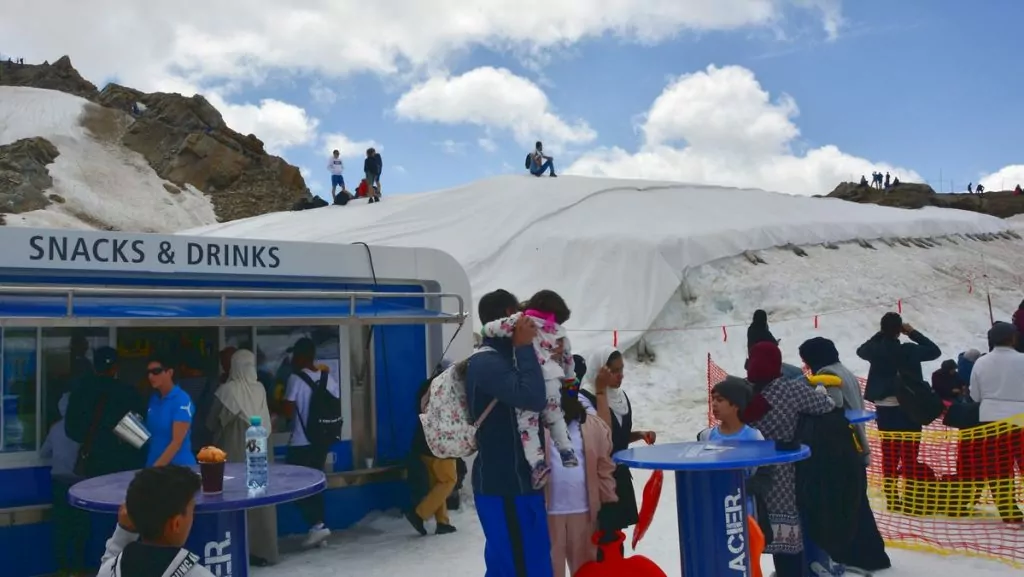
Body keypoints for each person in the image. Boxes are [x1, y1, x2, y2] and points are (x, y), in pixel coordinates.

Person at [465, 289, 552, 577]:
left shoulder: (511, 358)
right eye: (520, 314)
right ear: (506, 317)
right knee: (516, 567)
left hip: (521, 485)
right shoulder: (485, 362)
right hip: (503, 485)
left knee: (535, 563)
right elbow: (532, 397)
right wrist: (524, 348)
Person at [742, 341, 835, 577]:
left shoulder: (744, 393)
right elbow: (826, 405)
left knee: (749, 531)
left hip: (747, 472)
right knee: (785, 533)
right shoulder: (789, 390)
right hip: (783, 470)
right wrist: (822, 391)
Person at [798, 337, 890, 572]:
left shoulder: (828, 373)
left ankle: (858, 555)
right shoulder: (843, 369)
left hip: (843, 447)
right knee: (859, 503)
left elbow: (834, 403)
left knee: (847, 507)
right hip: (855, 444)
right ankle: (873, 554)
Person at [480, 289, 579, 488]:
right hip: (552, 380)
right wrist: (569, 383)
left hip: (529, 378)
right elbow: (570, 365)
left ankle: (537, 464)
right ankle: (567, 451)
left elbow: (493, 328)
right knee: (555, 417)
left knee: (528, 425)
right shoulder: (560, 333)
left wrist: (484, 330)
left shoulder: (521, 322)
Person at [856, 313, 940, 511]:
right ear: (900, 329)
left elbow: (861, 350)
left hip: (885, 407)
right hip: (910, 406)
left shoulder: (875, 350)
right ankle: (910, 498)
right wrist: (912, 332)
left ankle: (892, 498)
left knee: (889, 453)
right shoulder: (909, 350)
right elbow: (935, 351)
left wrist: (881, 334)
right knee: (910, 453)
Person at [577, 346, 656, 555]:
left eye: (622, 369)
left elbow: (618, 437)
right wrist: (600, 391)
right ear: (600, 370)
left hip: (618, 475)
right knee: (601, 539)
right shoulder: (585, 398)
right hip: (599, 479)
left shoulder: (620, 397)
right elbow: (603, 436)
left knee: (616, 539)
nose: (620, 376)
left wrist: (638, 434)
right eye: (614, 371)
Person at [206, 349, 279, 565]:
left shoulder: (226, 391)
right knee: (261, 499)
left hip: (236, 452)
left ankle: (236, 551)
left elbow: (211, 423)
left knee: (235, 496)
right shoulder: (260, 389)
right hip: (261, 453)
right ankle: (265, 551)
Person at [545, 364, 617, 577]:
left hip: (584, 512)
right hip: (548, 512)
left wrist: (609, 504)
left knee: (585, 570)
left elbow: (604, 468)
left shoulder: (591, 425)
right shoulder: (536, 426)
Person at [98, 465, 215, 577]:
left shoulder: (109, 570)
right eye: (191, 511)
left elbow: (108, 568)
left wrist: (124, 533)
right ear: (176, 524)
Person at [282, 337, 340, 547]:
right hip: (321, 440)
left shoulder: (295, 379)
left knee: (293, 485)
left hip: (300, 441)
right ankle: (318, 527)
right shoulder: (328, 378)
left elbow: (287, 411)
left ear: (299, 356)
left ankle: (317, 525)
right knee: (314, 485)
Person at [967, 322, 1024, 522]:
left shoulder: (981, 363)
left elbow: (974, 395)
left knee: (999, 467)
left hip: (990, 420)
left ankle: (1009, 512)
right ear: (1012, 338)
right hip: (1020, 418)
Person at [65, 347, 145, 478]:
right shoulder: (127, 393)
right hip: (123, 462)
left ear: (95, 367)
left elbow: (72, 431)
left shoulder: (81, 393)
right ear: (115, 368)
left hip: (93, 461)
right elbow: (137, 436)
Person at [407, 367, 458, 536]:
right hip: (440, 445)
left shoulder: (425, 386)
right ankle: (419, 513)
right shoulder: (447, 390)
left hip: (422, 444)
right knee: (449, 480)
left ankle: (442, 522)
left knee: (437, 484)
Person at [43, 392, 88, 576]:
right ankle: (78, 569)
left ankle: (62, 569)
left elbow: (43, 453)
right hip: (80, 486)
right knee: (80, 529)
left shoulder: (55, 429)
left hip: (59, 483)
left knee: (61, 527)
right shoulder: (85, 429)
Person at [144, 353, 198, 468]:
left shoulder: (182, 399)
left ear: (169, 372)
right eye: (148, 372)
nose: (151, 376)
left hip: (178, 469)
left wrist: (155, 469)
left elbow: (176, 442)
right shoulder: (154, 399)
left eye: (156, 372)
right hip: (154, 465)